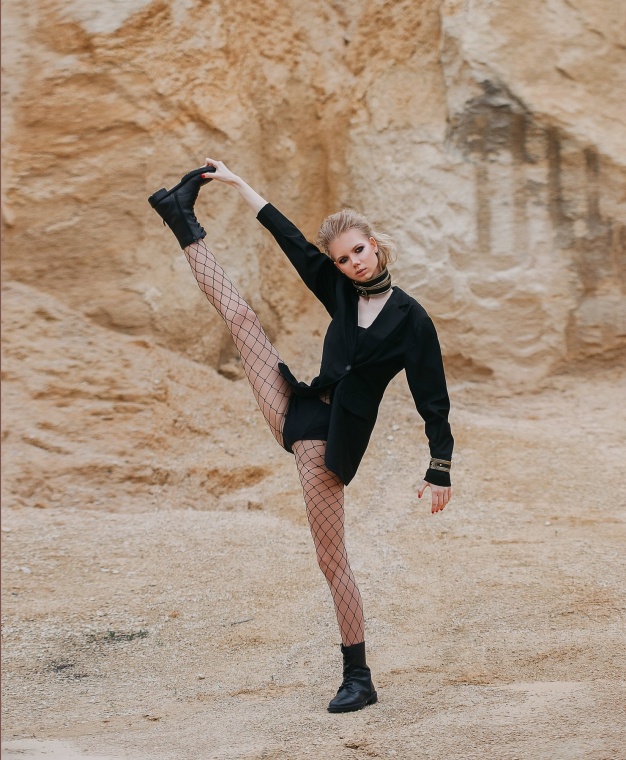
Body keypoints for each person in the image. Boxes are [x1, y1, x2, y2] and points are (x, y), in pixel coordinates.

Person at [148, 160, 454, 713]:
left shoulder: (412, 320)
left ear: (374, 245)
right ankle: (181, 219)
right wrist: (239, 184)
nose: (353, 263)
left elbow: (432, 398)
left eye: (358, 251)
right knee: (242, 320)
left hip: (333, 440)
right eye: (343, 259)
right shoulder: (340, 291)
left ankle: (358, 677)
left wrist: (440, 466)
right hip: (301, 405)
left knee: (330, 558)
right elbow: (288, 238)